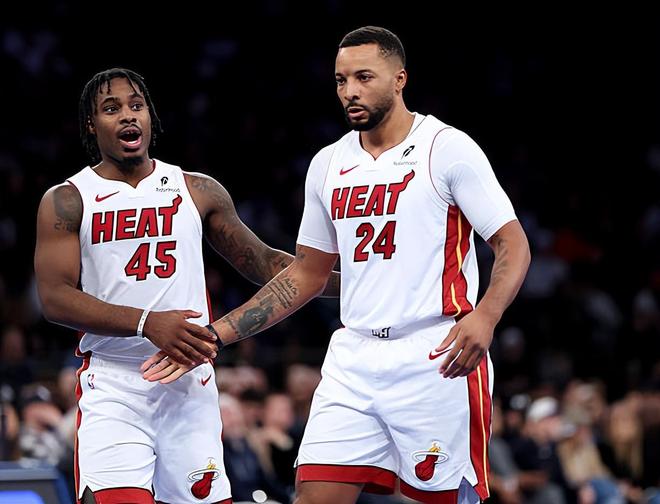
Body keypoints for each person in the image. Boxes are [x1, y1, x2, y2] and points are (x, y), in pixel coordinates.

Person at [145, 26, 530, 504]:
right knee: (313, 495)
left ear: (399, 79)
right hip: (353, 356)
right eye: (341, 80)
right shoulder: (328, 163)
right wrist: (214, 336)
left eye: (364, 77)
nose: (350, 91)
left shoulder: (446, 148)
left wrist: (486, 315)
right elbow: (304, 275)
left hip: (435, 352)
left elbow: (512, 243)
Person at [34, 68, 339, 504]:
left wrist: (359, 281)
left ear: (150, 117)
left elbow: (265, 263)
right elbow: (55, 298)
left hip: (188, 379)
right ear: (91, 124)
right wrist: (147, 322)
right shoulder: (68, 199)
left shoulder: (197, 190)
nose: (128, 116)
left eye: (136, 105)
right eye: (112, 108)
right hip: (115, 383)